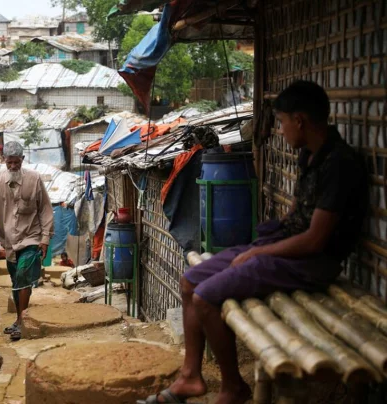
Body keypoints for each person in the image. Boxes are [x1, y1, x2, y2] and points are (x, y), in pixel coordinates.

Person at [140, 80, 368, 404]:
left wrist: (260, 252)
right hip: (287, 247)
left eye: (283, 121)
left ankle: (233, 386)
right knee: (190, 281)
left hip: (312, 263)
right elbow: (297, 216)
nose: (282, 130)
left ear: (299, 120)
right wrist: (263, 244)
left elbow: (316, 240)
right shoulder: (310, 155)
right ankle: (190, 377)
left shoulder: (339, 164)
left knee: (206, 298)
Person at [0, 141, 54, 341]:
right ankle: (19, 318)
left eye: (16, 162)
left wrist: (45, 239)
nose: (13, 166)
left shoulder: (34, 179)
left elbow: (46, 210)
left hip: (31, 237)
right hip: (9, 240)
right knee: (17, 282)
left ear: (22, 160)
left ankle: (22, 323)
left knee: (23, 276)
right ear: (4, 160)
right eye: (9, 162)